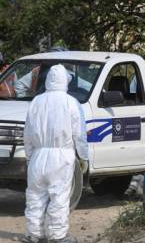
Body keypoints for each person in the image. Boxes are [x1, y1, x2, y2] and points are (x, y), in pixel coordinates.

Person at [23, 64, 89, 243]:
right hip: (62, 157)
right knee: (59, 196)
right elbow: (79, 134)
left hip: (38, 155)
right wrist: (83, 157)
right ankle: (57, 236)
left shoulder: (36, 101)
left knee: (35, 196)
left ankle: (33, 234)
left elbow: (27, 134)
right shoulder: (71, 102)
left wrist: (31, 156)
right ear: (64, 81)